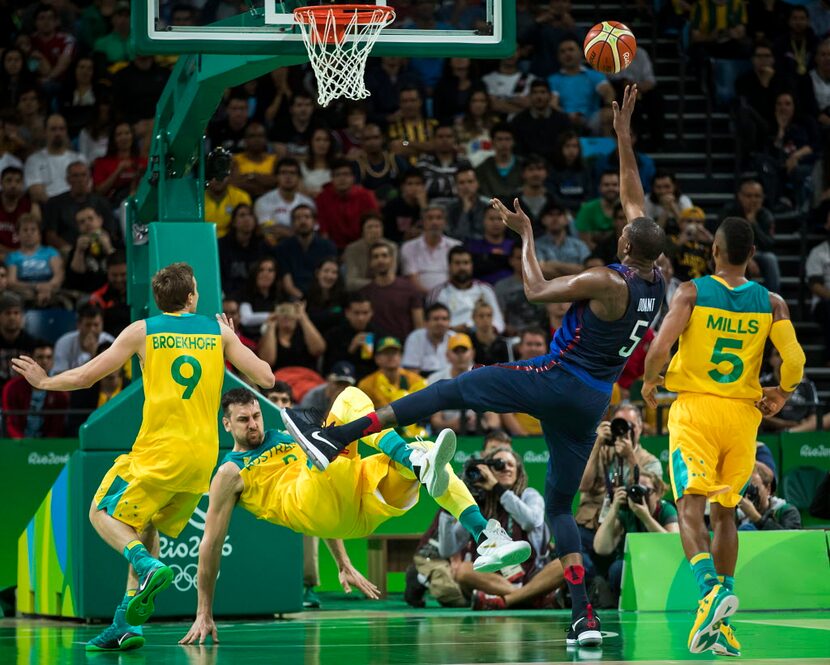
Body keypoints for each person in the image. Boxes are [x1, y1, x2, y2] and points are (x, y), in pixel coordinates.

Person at [282, 85, 667, 648]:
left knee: (452, 387)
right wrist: (622, 135)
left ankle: (338, 435)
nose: (623, 222)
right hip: (593, 399)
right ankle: (584, 618)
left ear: (625, 244)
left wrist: (526, 236)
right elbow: (636, 201)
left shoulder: (608, 280)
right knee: (559, 506)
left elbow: (535, 289)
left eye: (624, 228)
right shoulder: (655, 278)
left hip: (558, 380)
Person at [11, 262, 275, 652]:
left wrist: (45, 380)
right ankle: (126, 624)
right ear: (191, 297)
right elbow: (267, 378)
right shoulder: (217, 332)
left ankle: (146, 564)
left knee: (101, 512)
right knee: (145, 522)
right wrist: (230, 341)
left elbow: (87, 376)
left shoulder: (142, 331)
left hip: (159, 453)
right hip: (203, 459)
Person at [180, 387, 530, 644]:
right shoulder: (228, 472)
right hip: (307, 502)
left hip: (355, 504)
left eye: (256, 415)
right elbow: (210, 544)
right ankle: (410, 457)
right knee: (348, 399)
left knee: (426, 452)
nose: (253, 424)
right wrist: (203, 611)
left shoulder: (283, 437)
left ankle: (485, 535)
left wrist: (343, 562)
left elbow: (331, 489)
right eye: (243, 420)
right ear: (227, 424)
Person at [641, 214, 806, 655]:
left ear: (713, 252)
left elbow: (659, 348)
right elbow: (795, 363)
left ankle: (710, 593)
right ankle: (723, 623)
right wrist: (784, 394)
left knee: (689, 506)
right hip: (742, 417)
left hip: (696, 411)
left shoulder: (692, 291)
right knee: (726, 513)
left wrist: (649, 382)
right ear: (752, 256)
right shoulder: (772, 303)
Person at [592, 471, 679, 599]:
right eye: (634, 490)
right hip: (632, 567)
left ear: (658, 494)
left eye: (645, 490)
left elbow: (674, 546)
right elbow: (601, 548)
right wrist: (614, 508)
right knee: (617, 569)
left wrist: (646, 517)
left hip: (659, 566)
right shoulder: (626, 511)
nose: (640, 495)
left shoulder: (665, 510)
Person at [427, 333, 499, 434]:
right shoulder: (435, 379)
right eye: (456, 351)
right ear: (447, 355)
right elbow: (435, 420)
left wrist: (483, 424)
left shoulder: (483, 377)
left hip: (479, 434)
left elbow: (494, 420)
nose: (460, 355)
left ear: (472, 353)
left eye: (464, 351)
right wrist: (452, 425)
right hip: (446, 435)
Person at [428, 246, 505, 333]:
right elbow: (431, 325)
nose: (462, 267)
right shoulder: (439, 292)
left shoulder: (486, 289)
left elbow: (499, 322)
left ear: (471, 265)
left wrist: (483, 330)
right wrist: (453, 330)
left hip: (482, 339)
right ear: (449, 266)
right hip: (450, 339)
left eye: (466, 263)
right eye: (457, 263)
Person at [2, 341, 68, 438]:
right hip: (16, 443)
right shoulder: (12, 388)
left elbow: (57, 427)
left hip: (47, 447)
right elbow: (9, 421)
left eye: (49, 357)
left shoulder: (60, 393)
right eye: (40, 357)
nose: (45, 361)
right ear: (30, 359)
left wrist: (45, 447)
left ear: (53, 361)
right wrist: (21, 442)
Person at [360, 241, 424, 341]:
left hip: (404, 348)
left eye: (384, 256)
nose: (380, 260)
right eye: (375, 257)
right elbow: (364, 329)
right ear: (370, 263)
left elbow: (419, 327)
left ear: (392, 260)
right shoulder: (365, 293)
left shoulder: (410, 289)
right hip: (376, 349)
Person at [275, 205, 337, 299]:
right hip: (294, 295)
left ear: (315, 222)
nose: (303, 221)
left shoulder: (328, 246)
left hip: (322, 294)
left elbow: (330, 277)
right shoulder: (283, 247)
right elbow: (287, 282)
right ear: (292, 223)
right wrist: (302, 298)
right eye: (298, 218)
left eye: (307, 217)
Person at [315, 159, 379, 250]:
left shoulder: (366, 196)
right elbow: (323, 231)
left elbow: (373, 226)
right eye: (337, 175)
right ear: (332, 178)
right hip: (334, 248)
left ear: (353, 177)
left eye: (346, 174)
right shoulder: (322, 198)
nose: (342, 179)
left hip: (363, 246)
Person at [400, 204, 462, 293]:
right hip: (418, 296)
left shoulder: (456, 246)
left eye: (439, 218)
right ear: (422, 222)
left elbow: (456, 275)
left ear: (445, 222)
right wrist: (431, 296)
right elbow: (411, 279)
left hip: (450, 294)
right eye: (430, 218)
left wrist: (442, 295)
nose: (434, 222)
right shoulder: (408, 247)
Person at [24, 114, 86, 203]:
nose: (58, 133)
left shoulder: (79, 159)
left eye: (61, 129)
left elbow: (85, 189)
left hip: (75, 206)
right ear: (45, 132)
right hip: (48, 208)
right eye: (53, 129)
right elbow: (36, 192)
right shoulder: (33, 160)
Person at [6, 214, 64, 307]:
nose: (29, 233)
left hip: (51, 291)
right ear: (18, 234)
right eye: (25, 230)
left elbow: (58, 276)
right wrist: (36, 287)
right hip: (24, 293)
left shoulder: (51, 252)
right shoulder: (13, 256)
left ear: (39, 234)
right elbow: (11, 282)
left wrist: (47, 287)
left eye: (33, 230)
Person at [254, 158, 315, 244]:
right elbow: (266, 230)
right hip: (273, 247)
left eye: (292, 173)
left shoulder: (308, 203)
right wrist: (297, 233)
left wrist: (282, 230)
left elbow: (311, 231)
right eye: (283, 173)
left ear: (299, 177)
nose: (288, 177)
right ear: (276, 177)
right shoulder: (263, 201)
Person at [258, 301, 326, 371]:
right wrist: (271, 326)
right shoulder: (271, 334)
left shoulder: (304, 332)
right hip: (280, 377)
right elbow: (267, 361)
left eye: (290, 312)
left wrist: (303, 317)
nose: (286, 315)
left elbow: (318, 350)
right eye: (282, 311)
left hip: (306, 376)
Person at [343, 212, 398, 292]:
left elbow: (391, 276)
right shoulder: (352, 249)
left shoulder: (391, 247)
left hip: (386, 291)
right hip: (361, 291)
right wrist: (377, 284)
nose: (374, 230)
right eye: (369, 227)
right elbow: (351, 282)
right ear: (362, 230)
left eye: (377, 226)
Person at [737, 464, 802, 530]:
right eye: (745, 489)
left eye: (753, 489)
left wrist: (756, 517)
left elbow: (790, 539)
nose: (749, 494)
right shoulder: (736, 514)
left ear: (768, 489)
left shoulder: (787, 512)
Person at [401, 302, 453, 376]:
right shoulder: (415, 337)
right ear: (426, 322)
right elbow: (411, 370)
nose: (440, 323)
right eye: (435, 319)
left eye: (444, 319)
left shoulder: (455, 338)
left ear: (449, 322)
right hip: (422, 383)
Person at [90, 250, 130, 336]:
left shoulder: (139, 294)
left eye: (123, 275)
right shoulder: (98, 297)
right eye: (114, 275)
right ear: (107, 273)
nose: (118, 279)